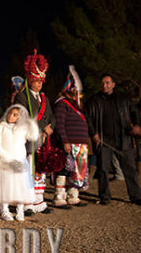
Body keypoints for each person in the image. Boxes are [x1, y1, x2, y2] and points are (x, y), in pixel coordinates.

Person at [85, 73, 141, 205]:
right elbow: (88, 118)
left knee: (130, 169)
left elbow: (134, 112)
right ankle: (104, 197)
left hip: (123, 138)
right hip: (104, 141)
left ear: (113, 85)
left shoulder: (123, 98)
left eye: (108, 83)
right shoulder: (94, 100)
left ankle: (136, 196)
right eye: (103, 83)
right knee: (103, 169)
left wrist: (137, 125)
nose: (105, 85)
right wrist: (93, 133)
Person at [14, 49, 55, 215]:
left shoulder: (44, 98)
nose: (39, 84)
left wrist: (49, 127)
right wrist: (43, 126)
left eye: (41, 81)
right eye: (36, 81)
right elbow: (25, 116)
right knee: (29, 169)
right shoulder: (22, 97)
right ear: (30, 80)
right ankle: (27, 202)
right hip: (29, 138)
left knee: (40, 170)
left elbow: (51, 115)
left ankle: (38, 200)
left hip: (43, 138)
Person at [52, 65, 89, 208]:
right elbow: (60, 124)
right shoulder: (62, 104)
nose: (77, 94)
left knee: (78, 171)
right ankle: (59, 197)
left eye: (78, 91)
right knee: (65, 170)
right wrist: (65, 141)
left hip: (81, 145)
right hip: (69, 144)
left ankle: (73, 196)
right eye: (74, 90)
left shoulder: (78, 107)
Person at [0, 104, 39, 221]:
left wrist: (33, 124)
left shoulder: (22, 128)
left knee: (20, 186)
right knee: (6, 185)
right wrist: (5, 157)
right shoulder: (1, 127)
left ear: (19, 117)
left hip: (19, 160)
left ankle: (20, 210)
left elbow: (33, 137)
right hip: (6, 161)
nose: (11, 116)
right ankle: (5, 210)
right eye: (10, 113)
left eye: (15, 115)